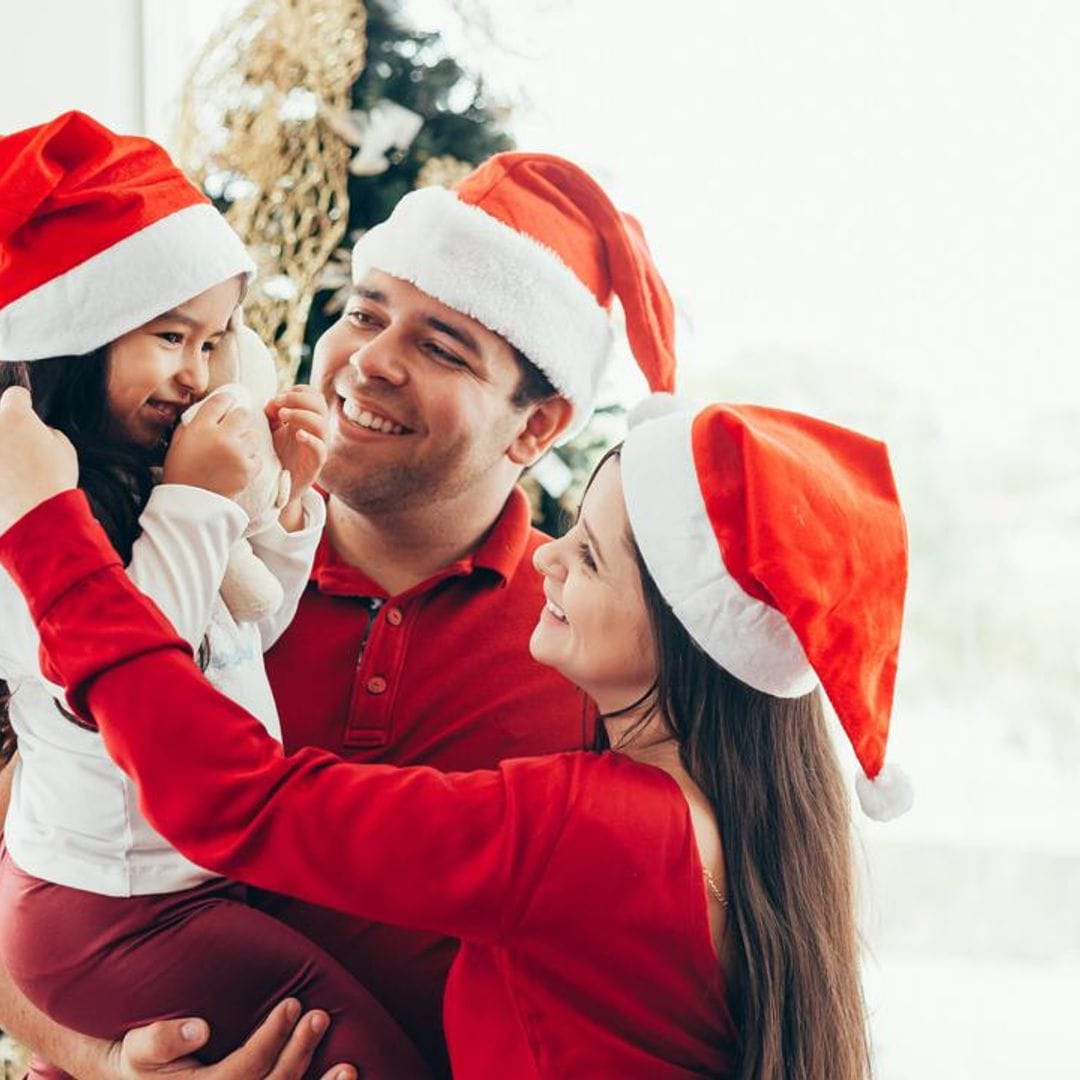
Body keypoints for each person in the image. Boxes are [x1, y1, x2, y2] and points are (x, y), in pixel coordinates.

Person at [0, 132, 680, 1077]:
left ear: (538, 425)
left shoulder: (588, 641)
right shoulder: (168, 536)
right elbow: (28, 878)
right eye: (364, 314)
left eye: (440, 346)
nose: (368, 362)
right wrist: (115, 1065)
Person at [0, 381, 913, 1078]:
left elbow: (231, 800)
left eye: (589, 554)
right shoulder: (713, 822)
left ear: (689, 638)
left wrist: (48, 535)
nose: (549, 554)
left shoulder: (602, 830)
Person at [0, 112, 427, 1080]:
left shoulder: (145, 482)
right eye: (168, 337)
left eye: (215, 340)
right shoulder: (26, 514)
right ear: (74, 338)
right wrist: (196, 499)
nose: (198, 374)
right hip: (107, 908)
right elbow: (138, 681)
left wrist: (285, 499)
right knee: (367, 1055)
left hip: (177, 888)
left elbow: (242, 634)